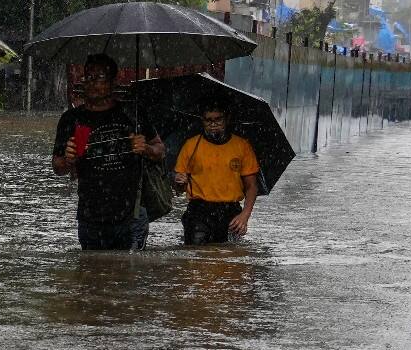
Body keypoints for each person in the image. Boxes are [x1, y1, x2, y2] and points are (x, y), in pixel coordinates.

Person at [52, 53, 165, 250]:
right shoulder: (72, 119)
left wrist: (145, 148)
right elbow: (57, 167)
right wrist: (69, 159)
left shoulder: (132, 113)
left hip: (131, 215)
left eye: (100, 77)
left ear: (113, 81)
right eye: (89, 77)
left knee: (128, 276)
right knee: (92, 274)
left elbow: (160, 151)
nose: (93, 83)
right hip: (90, 216)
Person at [171, 101, 261, 245]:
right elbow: (179, 189)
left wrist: (245, 215)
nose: (213, 124)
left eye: (218, 119)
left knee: (230, 261)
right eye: (208, 120)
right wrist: (178, 182)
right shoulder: (191, 146)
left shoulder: (242, 146)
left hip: (231, 212)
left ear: (227, 119)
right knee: (197, 258)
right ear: (202, 120)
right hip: (199, 212)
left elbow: (252, 186)